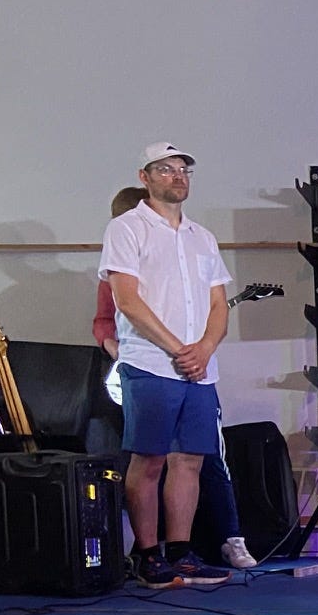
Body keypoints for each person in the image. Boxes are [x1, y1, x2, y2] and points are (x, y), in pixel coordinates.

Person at [94, 187, 256, 571]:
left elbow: (217, 304)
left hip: (198, 371)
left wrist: (205, 348)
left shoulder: (200, 239)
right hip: (150, 365)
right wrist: (176, 349)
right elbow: (114, 313)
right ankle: (148, 554)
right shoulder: (125, 242)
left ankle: (181, 551)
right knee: (149, 459)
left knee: (190, 460)